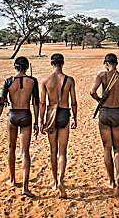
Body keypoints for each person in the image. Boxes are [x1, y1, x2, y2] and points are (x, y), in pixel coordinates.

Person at [0, 56, 39, 197]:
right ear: (27, 67)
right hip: (26, 115)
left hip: (12, 115)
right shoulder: (33, 81)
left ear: (15, 66)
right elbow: (36, 102)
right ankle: (25, 186)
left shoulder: (8, 81)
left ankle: (12, 180)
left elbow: (1, 103)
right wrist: (37, 121)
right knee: (25, 151)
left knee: (11, 147)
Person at [40, 53, 78, 198]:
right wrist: (75, 117)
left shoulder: (45, 80)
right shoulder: (69, 80)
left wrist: (41, 121)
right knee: (63, 151)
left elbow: (42, 103)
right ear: (63, 63)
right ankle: (61, 180)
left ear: (51, 64)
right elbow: (73, 101)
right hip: (64, 113)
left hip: (50, 113)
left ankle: (55, 180)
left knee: (53, 150)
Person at [90, 53, 119, 189]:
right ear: (116, 63)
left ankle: (111, 181)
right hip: (117, 112)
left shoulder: (102, 75)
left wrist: (99, 100)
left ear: (106, 63)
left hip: (105, 112)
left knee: (107, 147)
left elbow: (92, 91)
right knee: (117, 147)